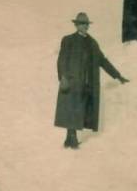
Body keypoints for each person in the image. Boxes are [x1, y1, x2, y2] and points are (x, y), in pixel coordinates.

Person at [54, 12, 129, 149]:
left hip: (87, 83)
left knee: (79, 110)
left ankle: (69, 139)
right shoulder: (68, 40)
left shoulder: (92, 43)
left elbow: (103, 61)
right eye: (82, 24)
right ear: (76, 25)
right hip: (72, 82)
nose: (85, 26)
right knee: (71, 110)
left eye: (86, 24)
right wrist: (62, 77)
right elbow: (61, 60)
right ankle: (72, 138)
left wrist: (118, 76)